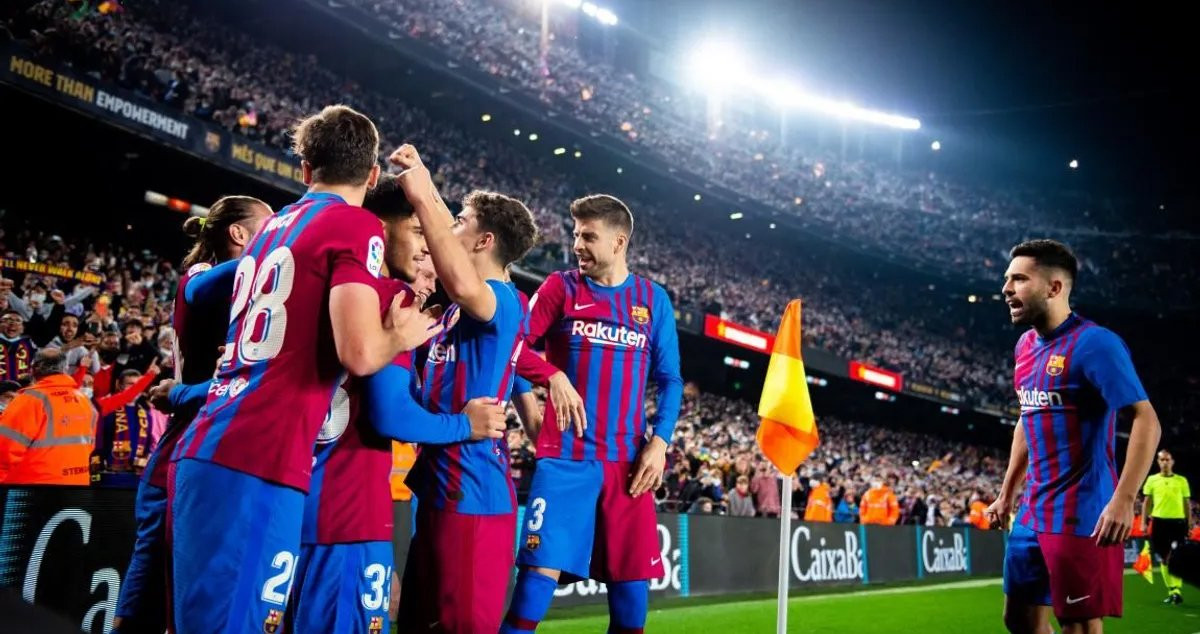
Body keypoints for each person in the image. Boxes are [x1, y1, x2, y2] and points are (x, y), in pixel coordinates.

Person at [168, 106, 442, 633]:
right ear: (373, 175)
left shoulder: (271, 227)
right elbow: (359, 353)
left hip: (217, 445)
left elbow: (204, 294)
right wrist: (401, 335)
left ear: (304, 169)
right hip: (261, 457)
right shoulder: (358, 224)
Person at [287, 172, 508, 634]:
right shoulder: (392, 299)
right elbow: (390, 414)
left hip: (292, 495)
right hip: (346, 507)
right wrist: (463, 426)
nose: (429, 250)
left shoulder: (326, 288)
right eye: (418, 234)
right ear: (379, 229)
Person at [503, 194, 683, 634]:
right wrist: (552, 376)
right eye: (575, 234)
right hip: (565, 459)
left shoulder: (652, 300)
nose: (577, 244)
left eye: (588, 235)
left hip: (627, 465)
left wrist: (659, 444)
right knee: (534, 584)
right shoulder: (559, 288)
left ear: (619, 242)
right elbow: (512, 346)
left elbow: (670, 380)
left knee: (630, 600)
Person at [390, 145, 539, 633]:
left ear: (484, 241)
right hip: (439, 488)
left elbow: (458, 278)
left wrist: (423, 191)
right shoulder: (453, 312)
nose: (450, 226)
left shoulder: (501, 300)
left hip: (474, 494)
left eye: (461, 221)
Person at [113, 194, 272, 634]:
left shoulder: (251, 296)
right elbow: (198, 290)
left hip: (216, 439)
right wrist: (187, 393)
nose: (279, 233)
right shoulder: (203, 277)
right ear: (238, 234)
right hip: (187, 441)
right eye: (269, 226)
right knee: (157, 566)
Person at [987, 239, 1161, 634]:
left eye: (1019, 279)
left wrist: (1124, 500)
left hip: (1081, 513)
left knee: (1078, 626)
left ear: (1054, 288)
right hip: (1032, 511)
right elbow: (1027, 417)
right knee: (1018, 620)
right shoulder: (1025, 346)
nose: (1006, 289)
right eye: (1006, 279)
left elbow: (1145, 419)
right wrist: (1007, 490)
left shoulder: (1095, 344)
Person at [0, 348, 97, 484]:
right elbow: (90, 444)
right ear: (65, 368)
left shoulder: (29, 400)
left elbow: (5, 449)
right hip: (77, 483)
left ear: (34, 369)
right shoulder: (84, 400)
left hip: (35, 487)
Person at [1141, 449, 1191, 604]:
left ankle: (1175, 590)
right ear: (1158, 462)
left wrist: (1188, 523)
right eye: (1161, 459)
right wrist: (1143, 522)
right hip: (1159, 523)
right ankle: (1173, 590)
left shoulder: (1182, 481)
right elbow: (1147, 503)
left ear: (1172, 461)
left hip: (1178, 523)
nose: (1164, 462)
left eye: (1167, 459)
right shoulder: (1151, 480)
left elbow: (1186, 504)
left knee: (1175, 556)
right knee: (1164, 558)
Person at [0, 310, 36, 384]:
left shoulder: (29, 344)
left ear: (22, 329)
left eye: (18, 321)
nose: (13, 323)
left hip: (21, 390)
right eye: (7, 320)